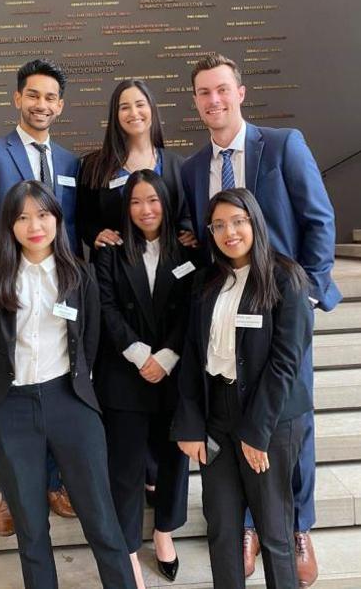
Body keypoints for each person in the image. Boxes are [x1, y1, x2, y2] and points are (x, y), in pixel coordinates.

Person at [181, 54, 342, 587]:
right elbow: (196, 236)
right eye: (204, 93)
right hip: (227, 304)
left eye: (222, 90)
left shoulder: (283, 144)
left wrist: (309, 296)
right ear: (197, 101)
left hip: (282, 303)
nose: (214, 101)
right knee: (239, 422)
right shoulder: (190, 167)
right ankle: (247, 523)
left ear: (240, 93)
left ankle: (296, 524)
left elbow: (317, 217)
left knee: (290, 421)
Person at [0, 179, 136, 589]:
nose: (34, 225)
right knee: (30, 527)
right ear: (9, 226)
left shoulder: (79, 275)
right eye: (22, 217)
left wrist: (77, 386)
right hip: (10, 408)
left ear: (57, 219)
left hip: (71, 401)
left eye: (42, 214)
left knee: (101, 520)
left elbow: (91, 341)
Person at [172, 188, 314, 589]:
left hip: (268, 420)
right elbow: (191, 354)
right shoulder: (207, 281)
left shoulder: (285, 278)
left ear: (255, 222)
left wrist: (258, 430)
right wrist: (189, 423)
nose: (228, 232)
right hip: (217, 417)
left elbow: (287, 361)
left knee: (273, 531)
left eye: (237, 221)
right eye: (218, 225)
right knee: (221, 528)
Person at [0, 59, 79, 534]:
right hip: (6, 296)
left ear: (60, 105)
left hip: (58, 293)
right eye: (33, 95)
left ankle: (53, 482)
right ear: (17, 98)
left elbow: (76, 229)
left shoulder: (69, 162)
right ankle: (12, 492)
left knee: (55, 385)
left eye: (50, 98)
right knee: (10, 392)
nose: (42, 105)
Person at [94, 170, 199, 589]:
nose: (145, 209)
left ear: (166, 202)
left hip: (173, 374)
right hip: (125, 373)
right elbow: (105, 307)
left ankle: (163, 533)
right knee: (125, 466)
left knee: (174, 459)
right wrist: (141, 355)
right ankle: (127, 548)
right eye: (136, 201)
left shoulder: (188, 249)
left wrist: (168, 356)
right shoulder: (111, 250)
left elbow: (194, 307)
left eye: (153, 200)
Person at [77, 78, 196, 253]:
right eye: (124, 107)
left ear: (152, 109)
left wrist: (189, 231)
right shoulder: (94, 166)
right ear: (115, 115)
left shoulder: (178, 165)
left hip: (170, 269)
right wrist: (95, 234)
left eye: (140, 105)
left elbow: (188, 214)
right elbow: (83, 219)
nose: (134, 113)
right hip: (115, 269)